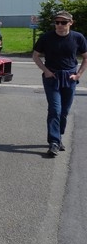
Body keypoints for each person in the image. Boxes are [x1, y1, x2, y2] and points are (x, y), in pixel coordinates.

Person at [32, 10, 87, 157]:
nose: (59, 25)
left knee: (64, 111)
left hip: (69, 78)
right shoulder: (46, 38)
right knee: (55, 110)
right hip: (52, 78)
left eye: (63, 22)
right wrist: (46, 71)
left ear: (71, 23)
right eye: (57, 22)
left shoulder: (78, 38)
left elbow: (85, 57)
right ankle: (54, 142)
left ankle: (58, 136)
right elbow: (35, 56)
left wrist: (78, 75)